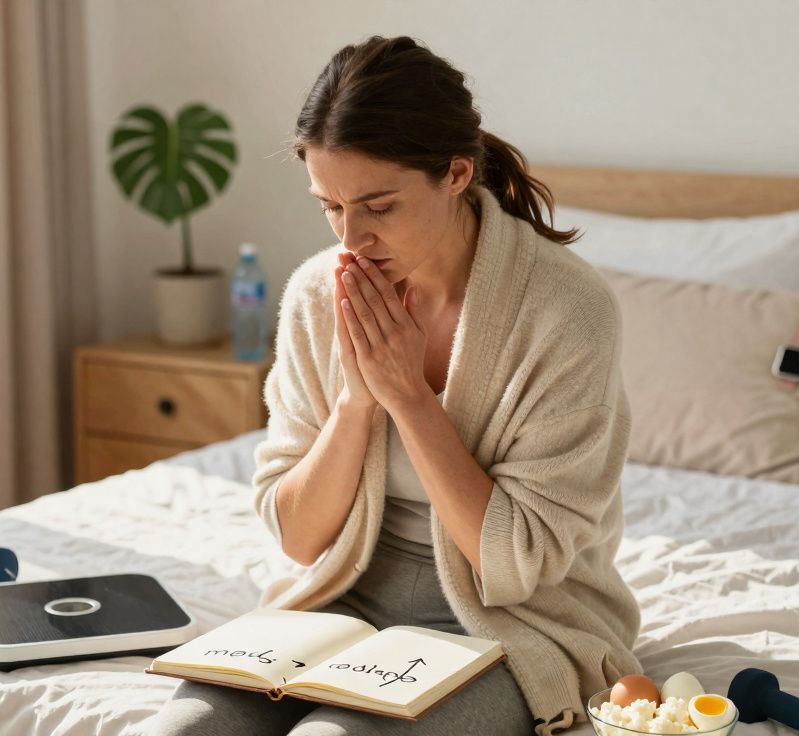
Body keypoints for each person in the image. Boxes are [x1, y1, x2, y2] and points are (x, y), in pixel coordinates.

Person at [145, 34, 641, 736]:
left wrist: (410, 398)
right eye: (330, 206)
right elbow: (298, 537)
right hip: (339, 597)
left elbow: (519, 564)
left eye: (379, 207)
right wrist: (357, 401)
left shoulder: (567, 312)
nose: (352, 238)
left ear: (458, 174)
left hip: (506, 623)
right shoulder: (320, 293)